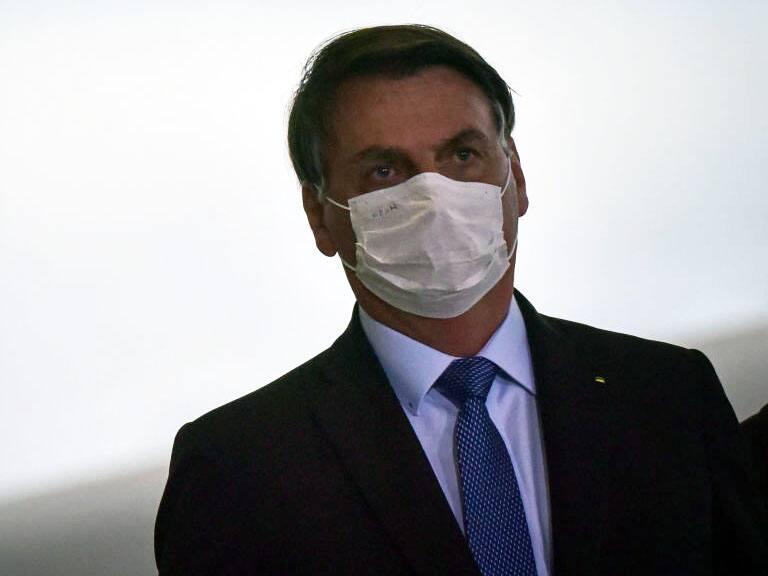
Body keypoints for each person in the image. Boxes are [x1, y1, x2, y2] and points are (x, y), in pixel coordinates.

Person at [154, 24, 768, 575]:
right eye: (385, 171)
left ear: (516, 177)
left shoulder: (668, 397)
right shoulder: (237, 470)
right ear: (321, 214)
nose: (434, 195)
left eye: (462, 154)